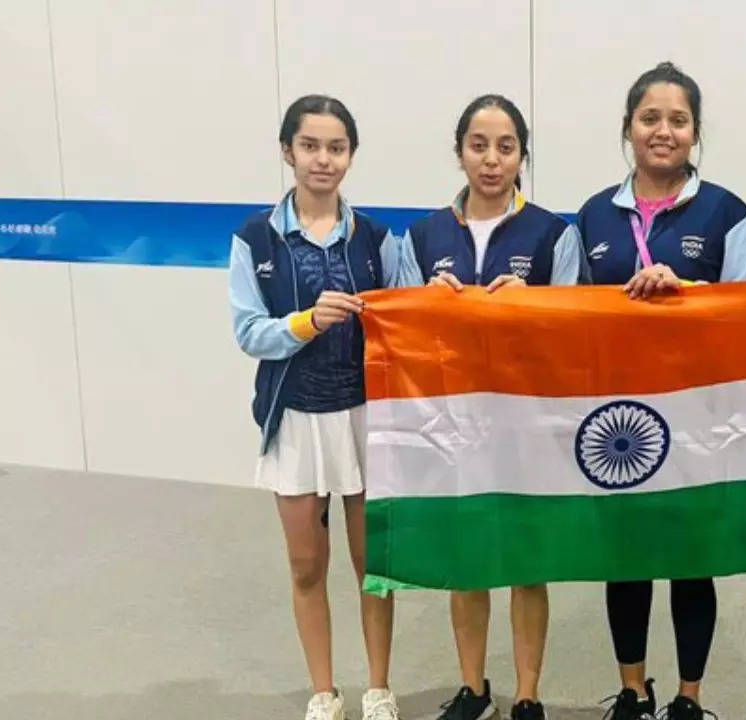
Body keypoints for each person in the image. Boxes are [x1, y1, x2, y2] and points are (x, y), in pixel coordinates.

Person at [563, 62, 746, 720]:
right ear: (627, 128)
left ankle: (689, 698)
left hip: (697, 418)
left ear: (695, 133)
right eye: (650, 118)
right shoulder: (593, 216)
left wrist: (691, 295)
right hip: (615, 419)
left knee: (689, 561)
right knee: (625, 558)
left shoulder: (729, 213)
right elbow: (561, 313)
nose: (663, 131)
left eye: (678, 120)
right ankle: (632, 690)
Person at [229, 94, 419, 720]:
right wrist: (306, 322)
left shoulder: (376, 238)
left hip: (365, 419)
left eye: (336, 148)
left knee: (375, 566)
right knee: (307, 566)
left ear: (351, 157)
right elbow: (249, 331)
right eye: (310, 146)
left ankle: (380, 689)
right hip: (295, 420)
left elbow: (409, 313)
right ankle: (323, 692)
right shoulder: (255, 237)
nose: (323, 159)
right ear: (287, 151)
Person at [410, 94, 585, 720]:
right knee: (468, 560)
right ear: (459, 151)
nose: (491, 160)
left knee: (525, 564)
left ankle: (529, 694)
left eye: (505, 146)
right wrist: (427, 302)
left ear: (522, 156)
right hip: (453, 421)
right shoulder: (424, 235)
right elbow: (406, 335)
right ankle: (474, 686)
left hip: (527, 422)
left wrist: (532, 303)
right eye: (478, 145)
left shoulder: (553, 234)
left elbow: (573, 328)